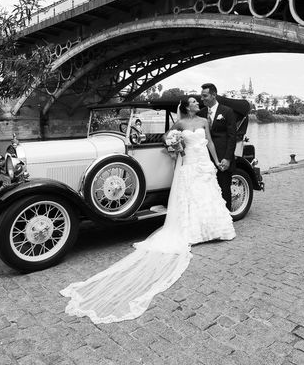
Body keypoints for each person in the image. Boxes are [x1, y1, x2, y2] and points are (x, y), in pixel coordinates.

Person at [60, 96, 235, 324]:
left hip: (202, 161)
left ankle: (210, 227)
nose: (196, 103)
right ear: (187, 107)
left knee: (205, 194)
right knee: (191, 194)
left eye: (197, 101)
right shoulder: (181, 124)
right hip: (189, 160)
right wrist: (175, 144)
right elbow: (168, 137)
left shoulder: (203, 121)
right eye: (193, 101)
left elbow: (210, 141)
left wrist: (217, 159)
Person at [198, 83, 237, 212]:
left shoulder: (227, 111)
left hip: (222, 158)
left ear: (214, 95)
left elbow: (232, 137)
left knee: (224, 188)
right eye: (201, 96)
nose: (202, 99)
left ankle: (227, 219)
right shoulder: (201, 113)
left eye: (205, 96)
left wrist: (227, 158)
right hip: (205, 158)